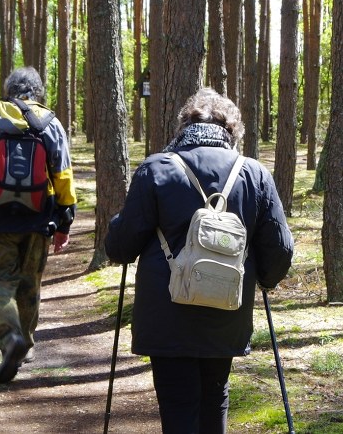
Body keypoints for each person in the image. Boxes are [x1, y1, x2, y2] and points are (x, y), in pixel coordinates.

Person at [105, 88, 294, 433]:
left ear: (183, 127)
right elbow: (281, 248)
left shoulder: (156, 169)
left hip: (167, 313)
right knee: (215, 397)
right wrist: (264, 278)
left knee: (178, 406)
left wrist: (118, 227)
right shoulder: (254, 174)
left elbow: (120, 248)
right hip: (227, 311)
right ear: (232, 132)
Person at [0, 67, 77, 384]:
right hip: (39, 219)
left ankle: (11, 340)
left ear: (8, 90)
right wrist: (65, 221)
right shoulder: (50, 123)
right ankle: (24, 343)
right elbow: (63, 176)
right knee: (30, 283)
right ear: (38, 92)